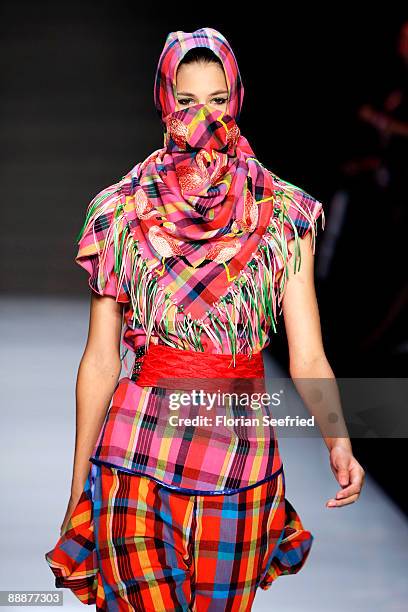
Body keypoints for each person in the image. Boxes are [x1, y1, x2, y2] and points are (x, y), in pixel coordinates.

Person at [44, 27, 365, 610]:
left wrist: (337, 438)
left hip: (240, 454)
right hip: (135, 453)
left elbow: (308, 353)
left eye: (217, 100)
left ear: (237, 100)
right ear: (165, 103)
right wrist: (77, 487)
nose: (204, 118)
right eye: (187, 102)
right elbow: (99, 358)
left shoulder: (282, 215)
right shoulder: (121, 212)